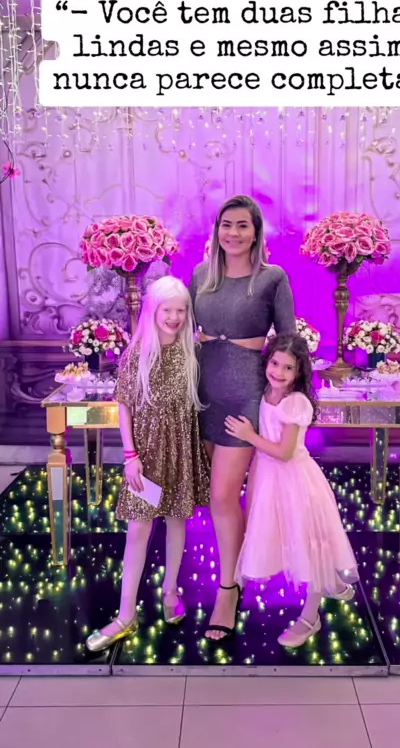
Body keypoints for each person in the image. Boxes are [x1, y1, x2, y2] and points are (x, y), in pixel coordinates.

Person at [189, 195, 296, 640]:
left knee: (221, 496)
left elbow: (288, 342)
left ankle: (228, 589)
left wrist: (283, 404)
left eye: (242, 226)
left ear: (256, 233)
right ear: (216, 230)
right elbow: (179, 332)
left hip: (244, 398)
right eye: (225, 225)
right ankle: (245, 563)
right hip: (202, 394)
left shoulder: (272, 278)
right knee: (215, 498)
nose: (232, 233)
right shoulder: (200, 275)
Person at [86, 276, 210, 652]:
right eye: (167, 309)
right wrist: (131, 456)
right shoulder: (137, 353)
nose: (174, 317)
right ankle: (126, 614)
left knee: (177, 521)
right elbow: (124, 407)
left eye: (181, 310)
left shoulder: (191, 350)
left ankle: (171, 590)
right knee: (138, 531)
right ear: (153, 311)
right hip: (147, 454)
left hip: (180, 450)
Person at [225, 333, 359, 648]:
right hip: (268, 478)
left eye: (288, 368)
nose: (279, 372)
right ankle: (331, 582)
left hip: (295, 480)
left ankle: (311, 617)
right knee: (280, 537)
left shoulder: (295, 402)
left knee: (307, 545)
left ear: (299, 372)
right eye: (275, 363)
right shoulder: (264, 393)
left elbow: (285, 452)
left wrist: (248, 434)